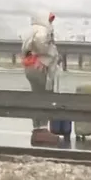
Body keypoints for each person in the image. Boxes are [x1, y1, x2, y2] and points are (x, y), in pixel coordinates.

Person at [22, 10, 61, 144]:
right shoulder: (42, 30)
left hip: (31, 67)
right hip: (41, 67)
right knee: (45, 97)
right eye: (49, 19)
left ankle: (37, 130)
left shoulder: (32, 30)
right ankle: (43, 131)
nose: (51, 22)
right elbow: (41, 44)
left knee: (36, 97)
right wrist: (48, 51)